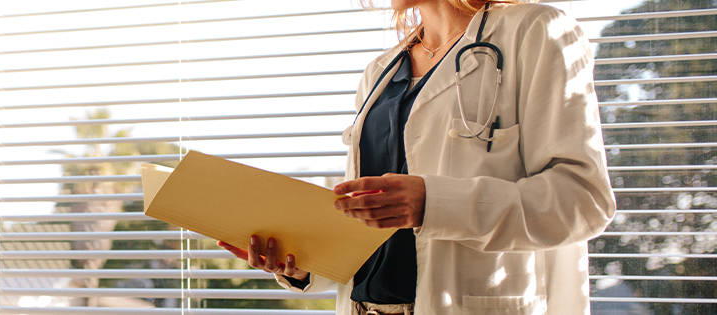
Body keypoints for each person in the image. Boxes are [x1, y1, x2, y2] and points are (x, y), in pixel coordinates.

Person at [218, 0, 616, 314]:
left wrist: (433, 204)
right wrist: (301, 262)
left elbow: (584, 200)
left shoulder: (535, 31)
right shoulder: (379, 72)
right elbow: (368, 227)